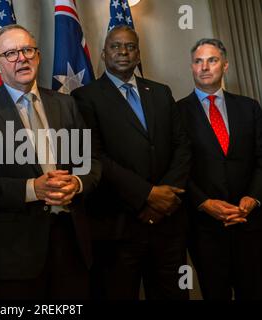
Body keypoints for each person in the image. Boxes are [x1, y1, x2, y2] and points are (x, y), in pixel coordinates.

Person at [0, 24, 101, 299]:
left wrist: (77, 183)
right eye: (11, 53)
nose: (21, 58)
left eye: (27, 50)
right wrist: (31, 189)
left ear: (37, 55)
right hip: (15, 254)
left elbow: (91, 162)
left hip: (71, 243)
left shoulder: (66, 104)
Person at [71, 25, 191, 300]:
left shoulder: (160, 92)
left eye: (130, 46)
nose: (123, 52)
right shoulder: (84, 98)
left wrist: (165, 197)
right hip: (118, 226)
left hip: (167, 224)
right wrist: (147, 195)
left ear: (138, 54)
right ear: (103, 54)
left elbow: (182, 146)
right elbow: (95, 157)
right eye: (115, 46)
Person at [177, 38, 262, 300]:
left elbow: (261, 158)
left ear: (225, 65)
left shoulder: (249, 107)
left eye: (212, 60)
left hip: (250, 223)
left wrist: (253, 197)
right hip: (205, 228)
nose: (204, 67)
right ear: (191, 67)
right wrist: (204, 202)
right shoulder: (176, 112)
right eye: (198, 61)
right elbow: (179, 169)